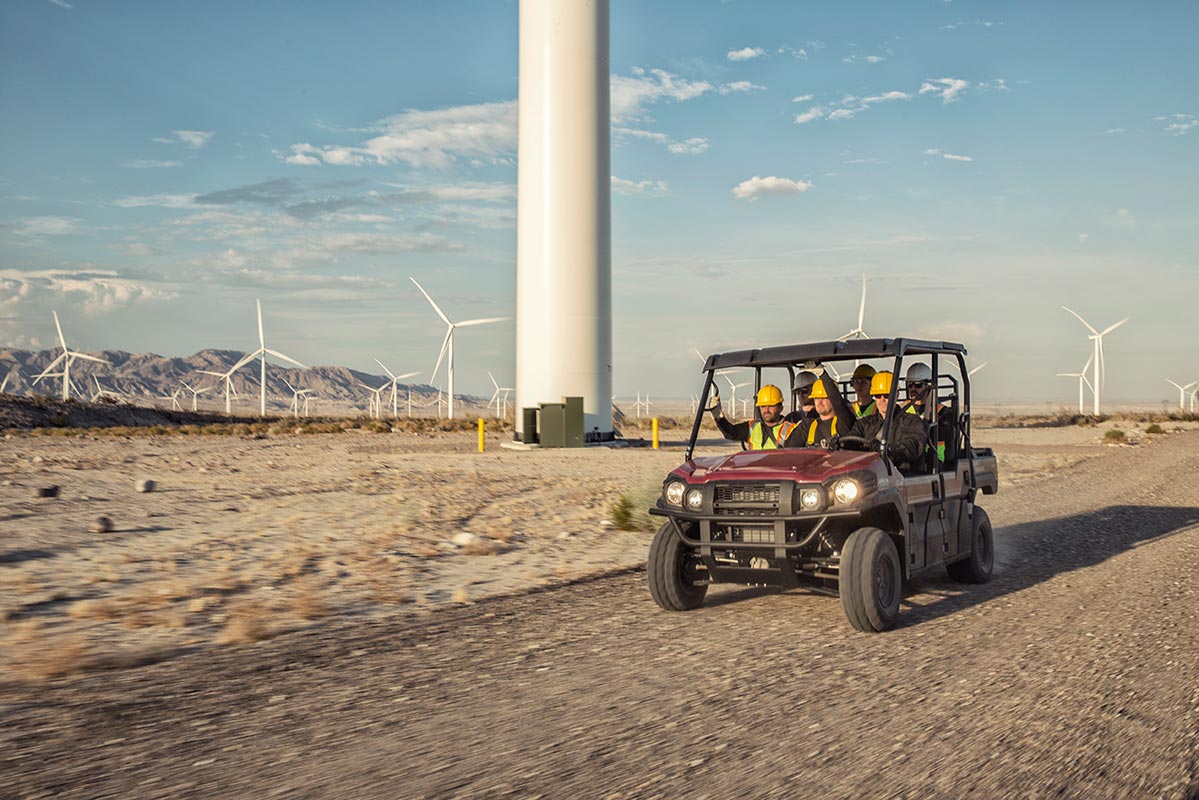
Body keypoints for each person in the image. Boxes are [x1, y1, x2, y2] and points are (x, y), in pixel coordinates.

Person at [843, 371, 927, 469]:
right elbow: (852, 437)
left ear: (897, 395)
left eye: (886, 395)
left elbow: (913, 447)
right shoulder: (865, 423)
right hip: (871, 475)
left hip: (902, 475)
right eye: (878, 396)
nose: (882, 400)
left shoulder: (911, 422)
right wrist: (841, 444)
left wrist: (889, 450)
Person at [707, 384, 804, 449]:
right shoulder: (752, 427)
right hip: (755, 475)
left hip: (778, 477)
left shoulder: (791, 430)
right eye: (763, 406)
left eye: (771, 406)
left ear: (780, 408)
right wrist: (718, 416)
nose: (766, 410)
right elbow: (731, 433)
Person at [905, 363, 955, 462]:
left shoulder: (942, 412)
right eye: (910, 385)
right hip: (909, 457)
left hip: (934, 461)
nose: (913, 389)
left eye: (918, 385)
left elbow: (942, 434)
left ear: (928, 386)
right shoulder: (902, 409)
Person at [801, 374, 855, 449]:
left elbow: (839, 404)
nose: (819, 402)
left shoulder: (843, 423)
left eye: (824, 398)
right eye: (816, 398)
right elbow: (787, 450)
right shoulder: (806, 426)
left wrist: (823, 374)